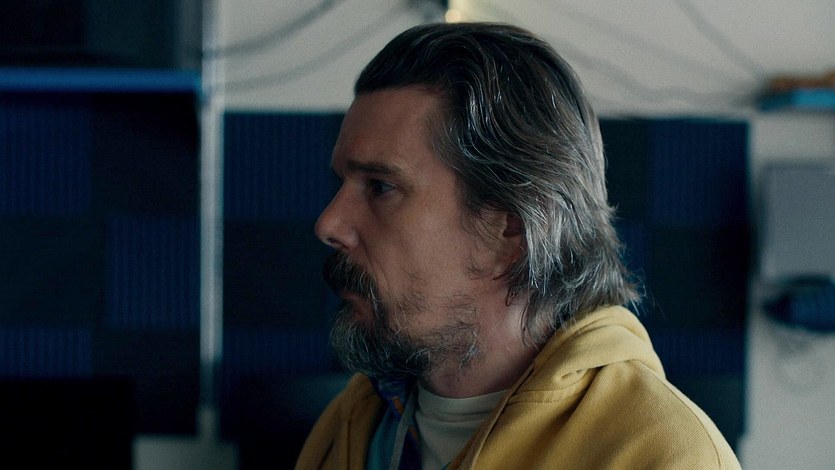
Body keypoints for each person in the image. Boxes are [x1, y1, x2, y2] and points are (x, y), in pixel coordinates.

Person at [297, 22, 741, 469]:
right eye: (342, 183)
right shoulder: (353, 422)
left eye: (380, 187)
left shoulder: (664, 456)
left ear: (509, 230)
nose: (329, 223)